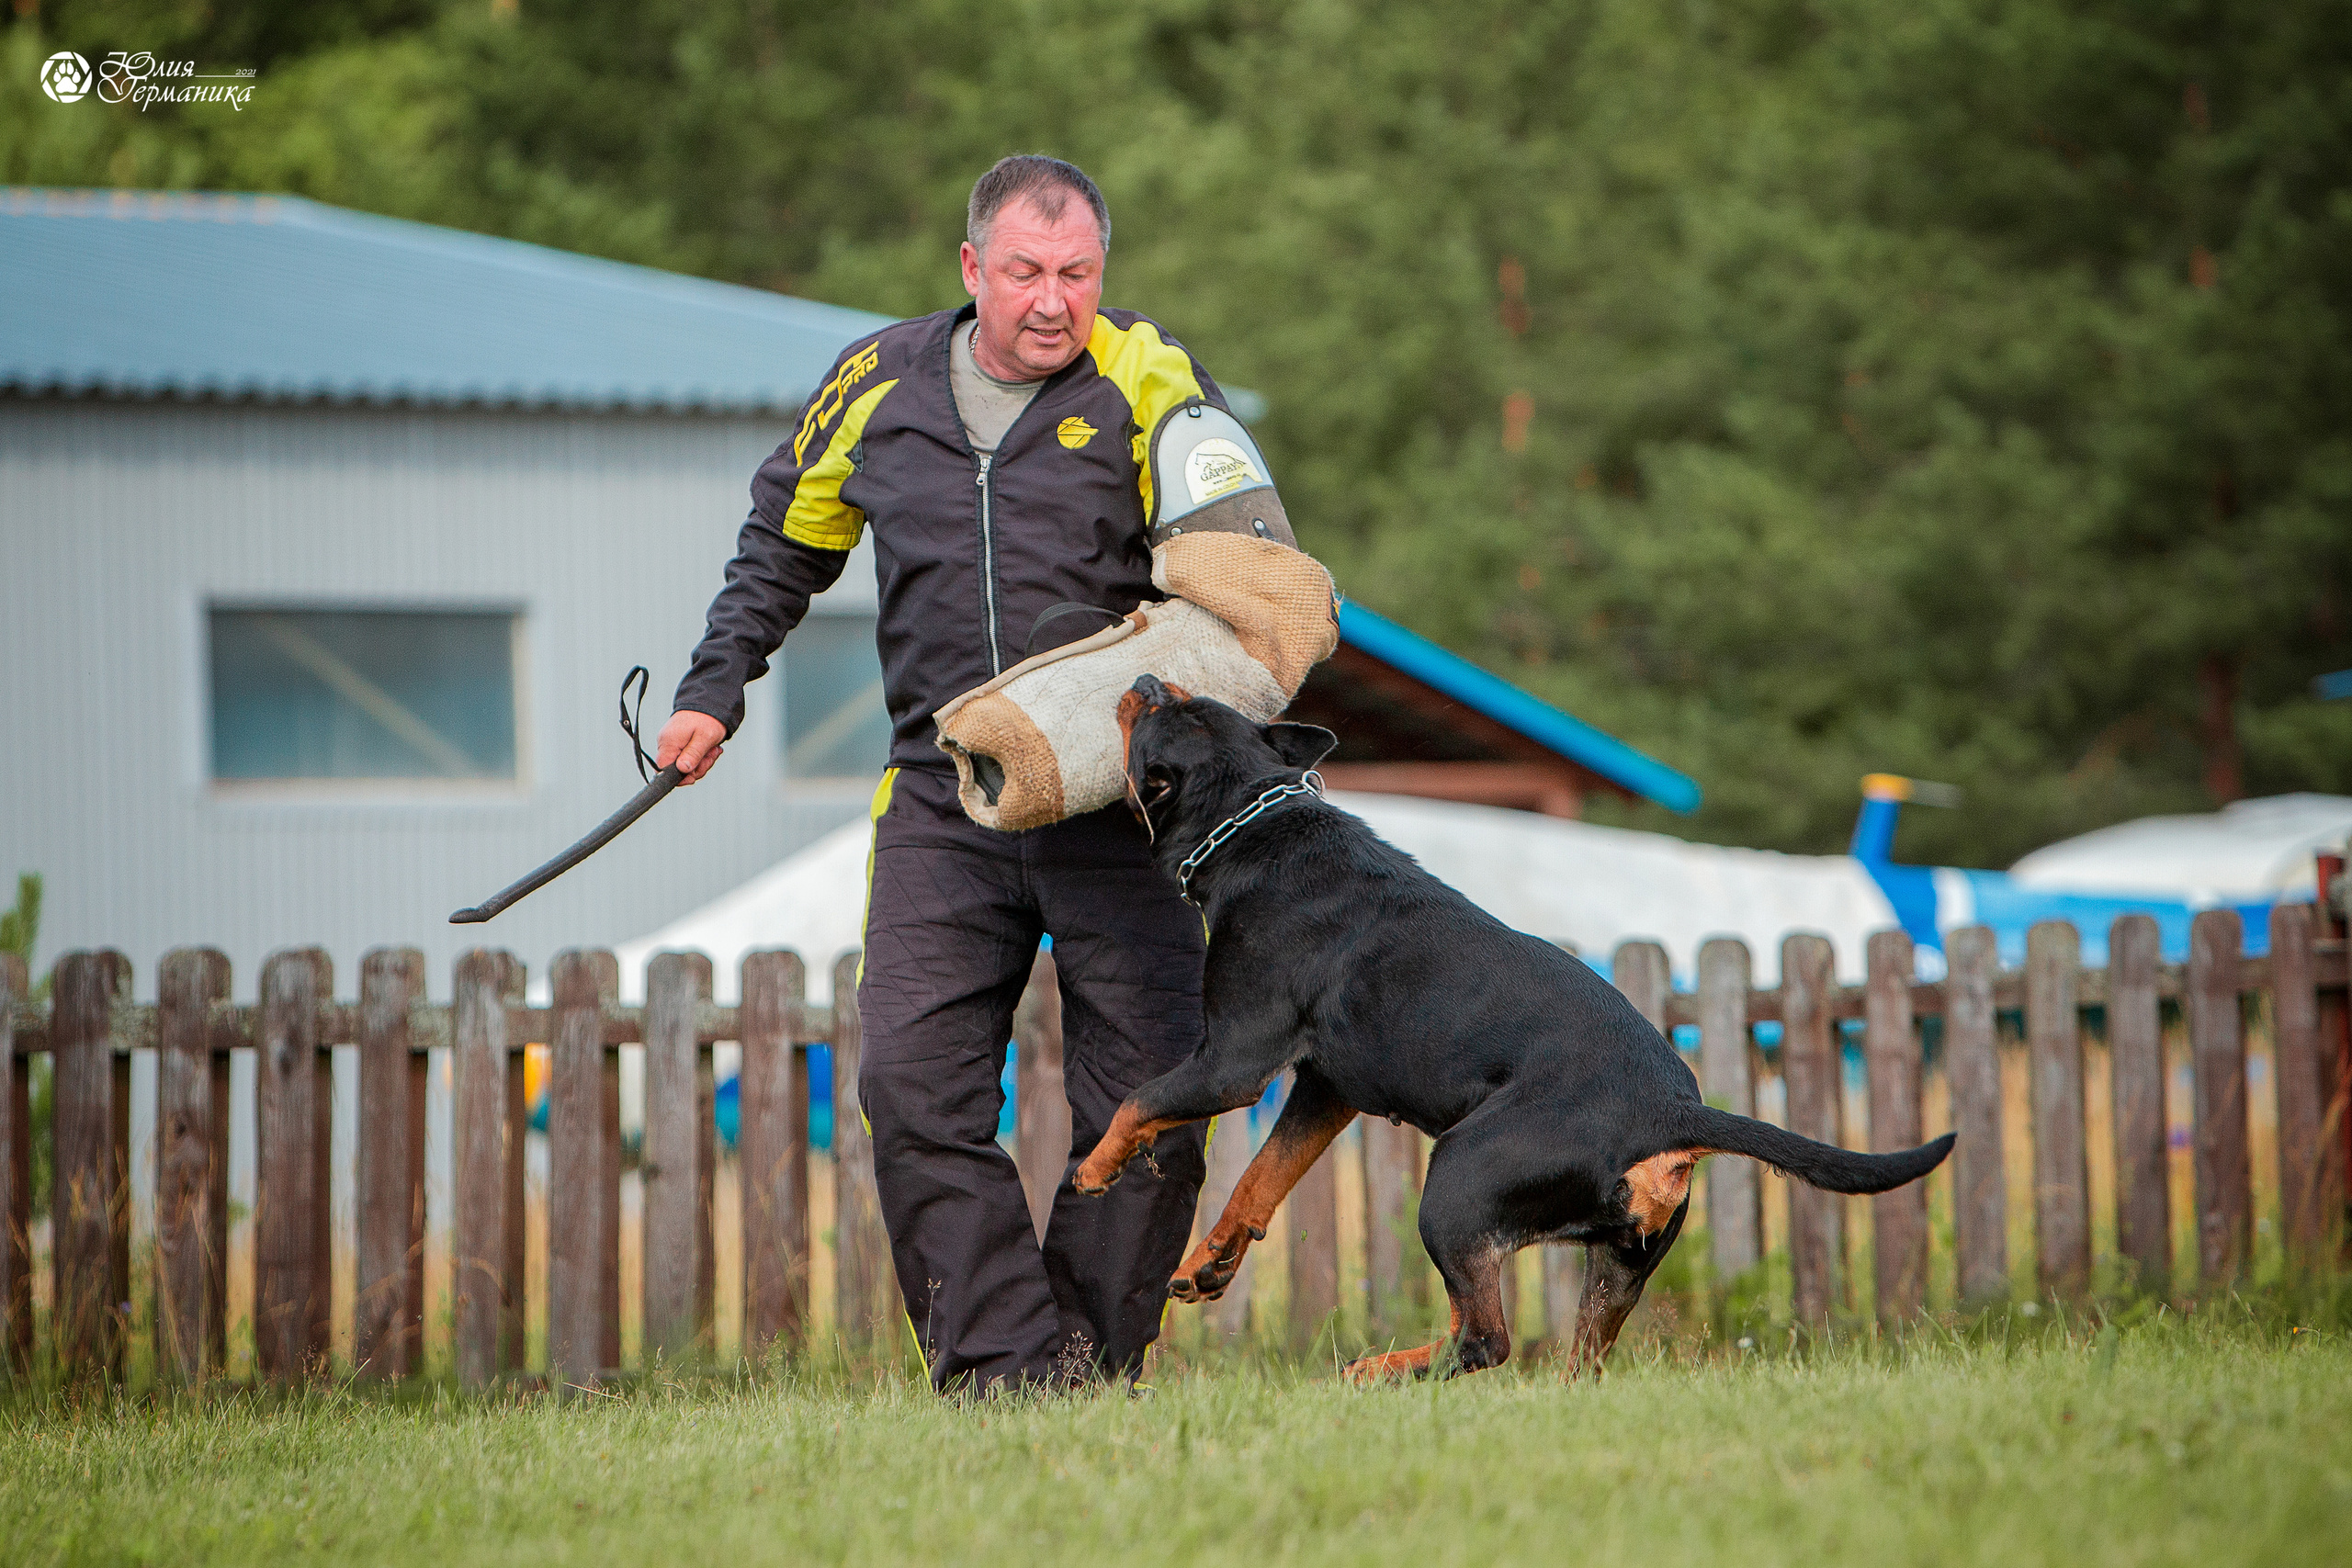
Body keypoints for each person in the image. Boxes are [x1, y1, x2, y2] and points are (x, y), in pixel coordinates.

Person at [657, 154, 1234, 1393]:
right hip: (942, 794)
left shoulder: (1149, 376)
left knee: (1151, 1101)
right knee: (915, 1092)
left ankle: (1083, 1361)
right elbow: (782, 544)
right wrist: (715, 689)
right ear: (972, 269)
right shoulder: (878, 384)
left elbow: (1235, 564)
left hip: (1120, 803)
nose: (1051, 299)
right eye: (1024, 271)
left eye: (1077, 274)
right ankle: (999, 1372)